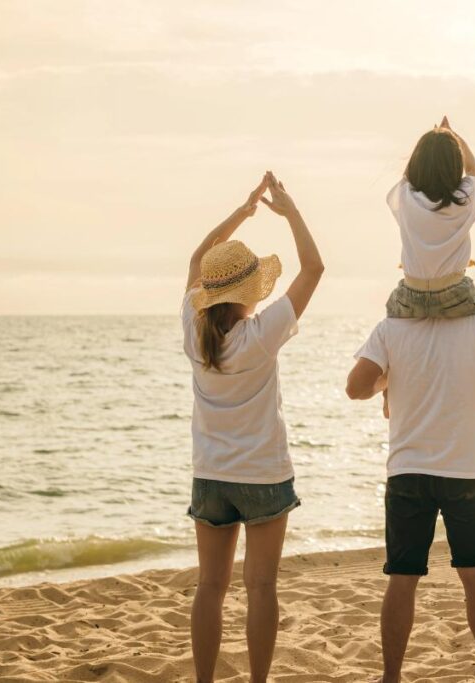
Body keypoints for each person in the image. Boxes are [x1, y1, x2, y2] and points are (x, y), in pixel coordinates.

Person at [182, 172, 323, 683]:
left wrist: (243, 211)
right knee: (261, 587)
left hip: (211, 475)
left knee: (210, 587)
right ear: (249, 293)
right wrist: (289, 211)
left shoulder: (192, 331)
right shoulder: (261, 335)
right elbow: (314, 268)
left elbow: (199, 258)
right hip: (262, 475)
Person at [345, 308, 475, 683]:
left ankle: (390, 678)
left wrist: (388, 378)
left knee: (402, 579)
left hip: (409, 472)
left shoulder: (390, 329)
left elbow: (355, 388)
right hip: (468, 474)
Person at [383, 115, 475, 412]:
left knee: (390, 338)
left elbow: (406, 176)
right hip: (455, 294)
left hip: (410, 294)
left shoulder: (404, 196)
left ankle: (388, 395)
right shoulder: (463, 199)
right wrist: (455, 137)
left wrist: (432, 140)